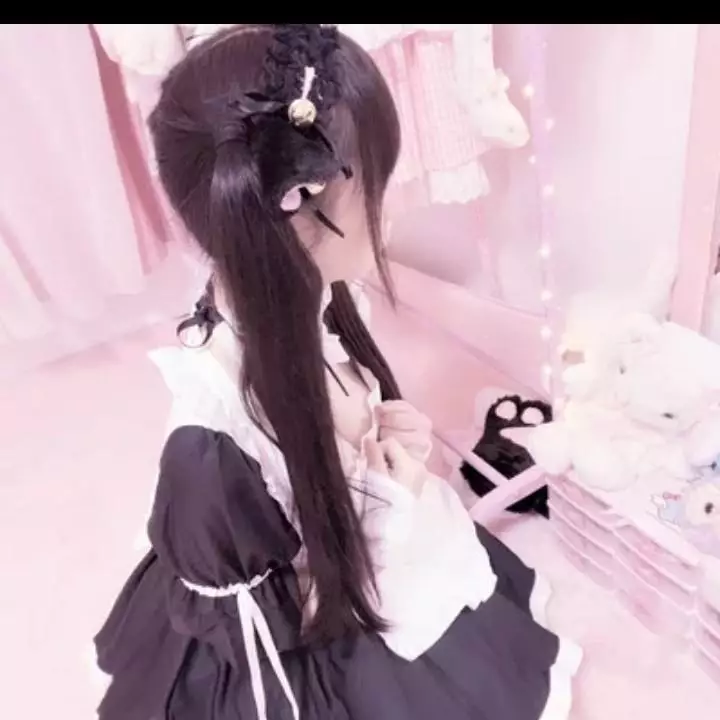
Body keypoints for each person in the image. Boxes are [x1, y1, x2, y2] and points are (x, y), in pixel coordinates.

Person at [94, 24, 581, 720]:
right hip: (311, 630)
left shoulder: (316, 300)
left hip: (355, 554)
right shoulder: (212, 453)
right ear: (299, 213)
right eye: (376, 186)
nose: (391, 205)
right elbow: (274, 635)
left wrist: (382, 472)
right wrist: (386, 506)